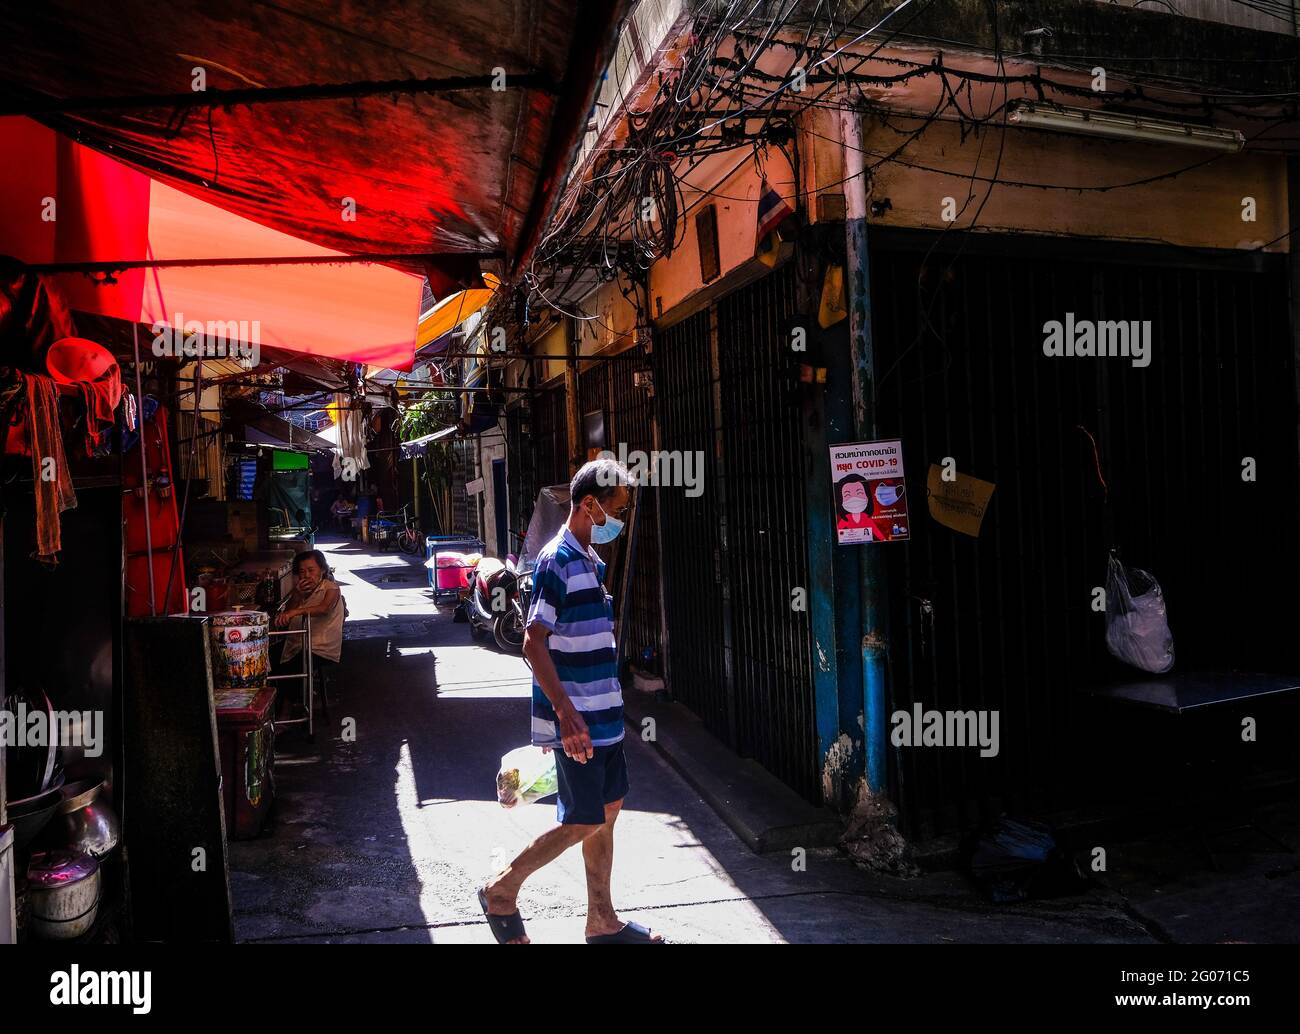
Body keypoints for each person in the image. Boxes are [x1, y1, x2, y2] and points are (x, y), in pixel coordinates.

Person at [478, 458, 664, 944]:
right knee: (585, 818)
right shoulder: (557, 560)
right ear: (589, 505)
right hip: (580, 718)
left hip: (605, 715)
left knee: (608, 809)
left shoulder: (590, 560)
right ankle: (502, 889)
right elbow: (533, 641)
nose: (618, 522)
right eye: (616, 510)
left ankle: (602, 920)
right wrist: (565, 716)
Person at [274, 550, 345, 689]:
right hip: (298, 644)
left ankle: (292, 704)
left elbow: (324, 608)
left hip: (320, 648)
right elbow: (287, 613)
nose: (306, 575)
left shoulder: (331, 588)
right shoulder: (301, 590)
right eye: (302, 571)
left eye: (311, 570)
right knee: (269, 660)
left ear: (323, 570)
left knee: (288, 670)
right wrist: (297, 595)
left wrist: (294, 612)